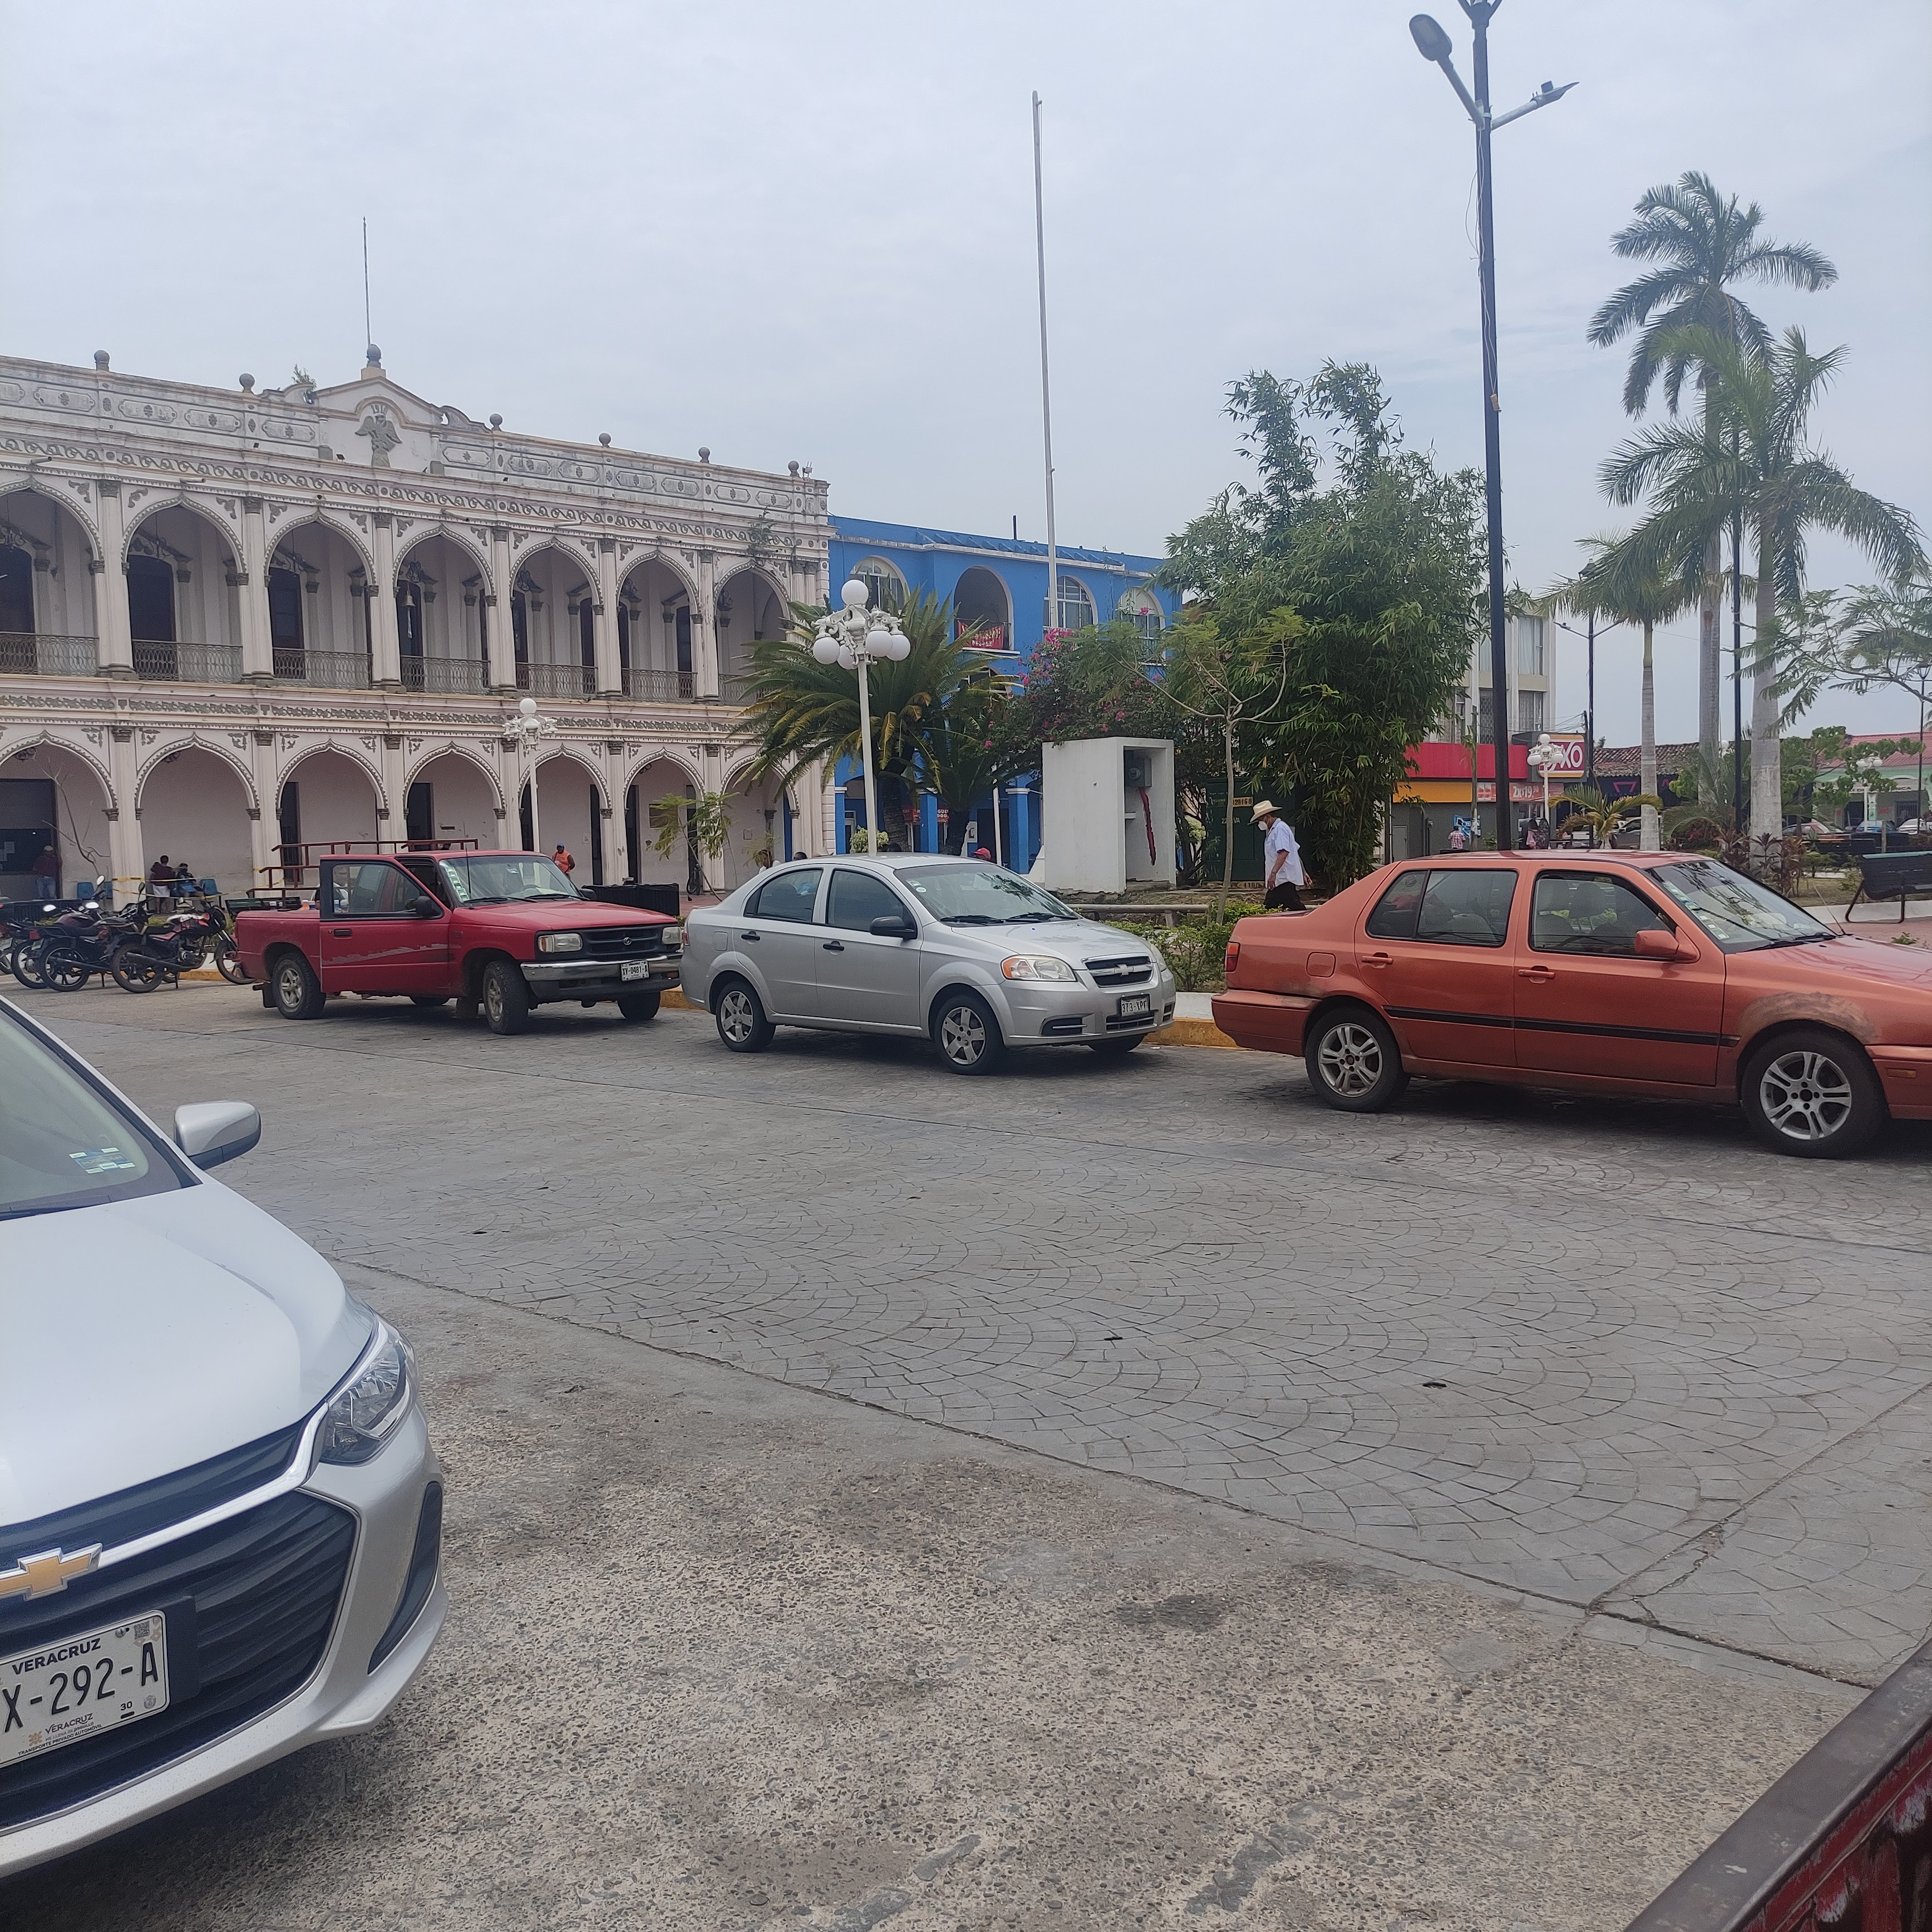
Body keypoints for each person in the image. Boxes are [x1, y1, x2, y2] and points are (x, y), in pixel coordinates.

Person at [1252, 801, 1305, 911]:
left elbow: (1284, 852)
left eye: (1260, 820)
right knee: (1287, 907)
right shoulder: (1275, 830)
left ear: (1267, 817)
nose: (1260, 824)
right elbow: (1294, 850)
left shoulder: (1280, 829)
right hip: (1280, 880)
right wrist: (1304, 872)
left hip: (1282, 878)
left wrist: (1273, 874)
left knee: (1289, 907)